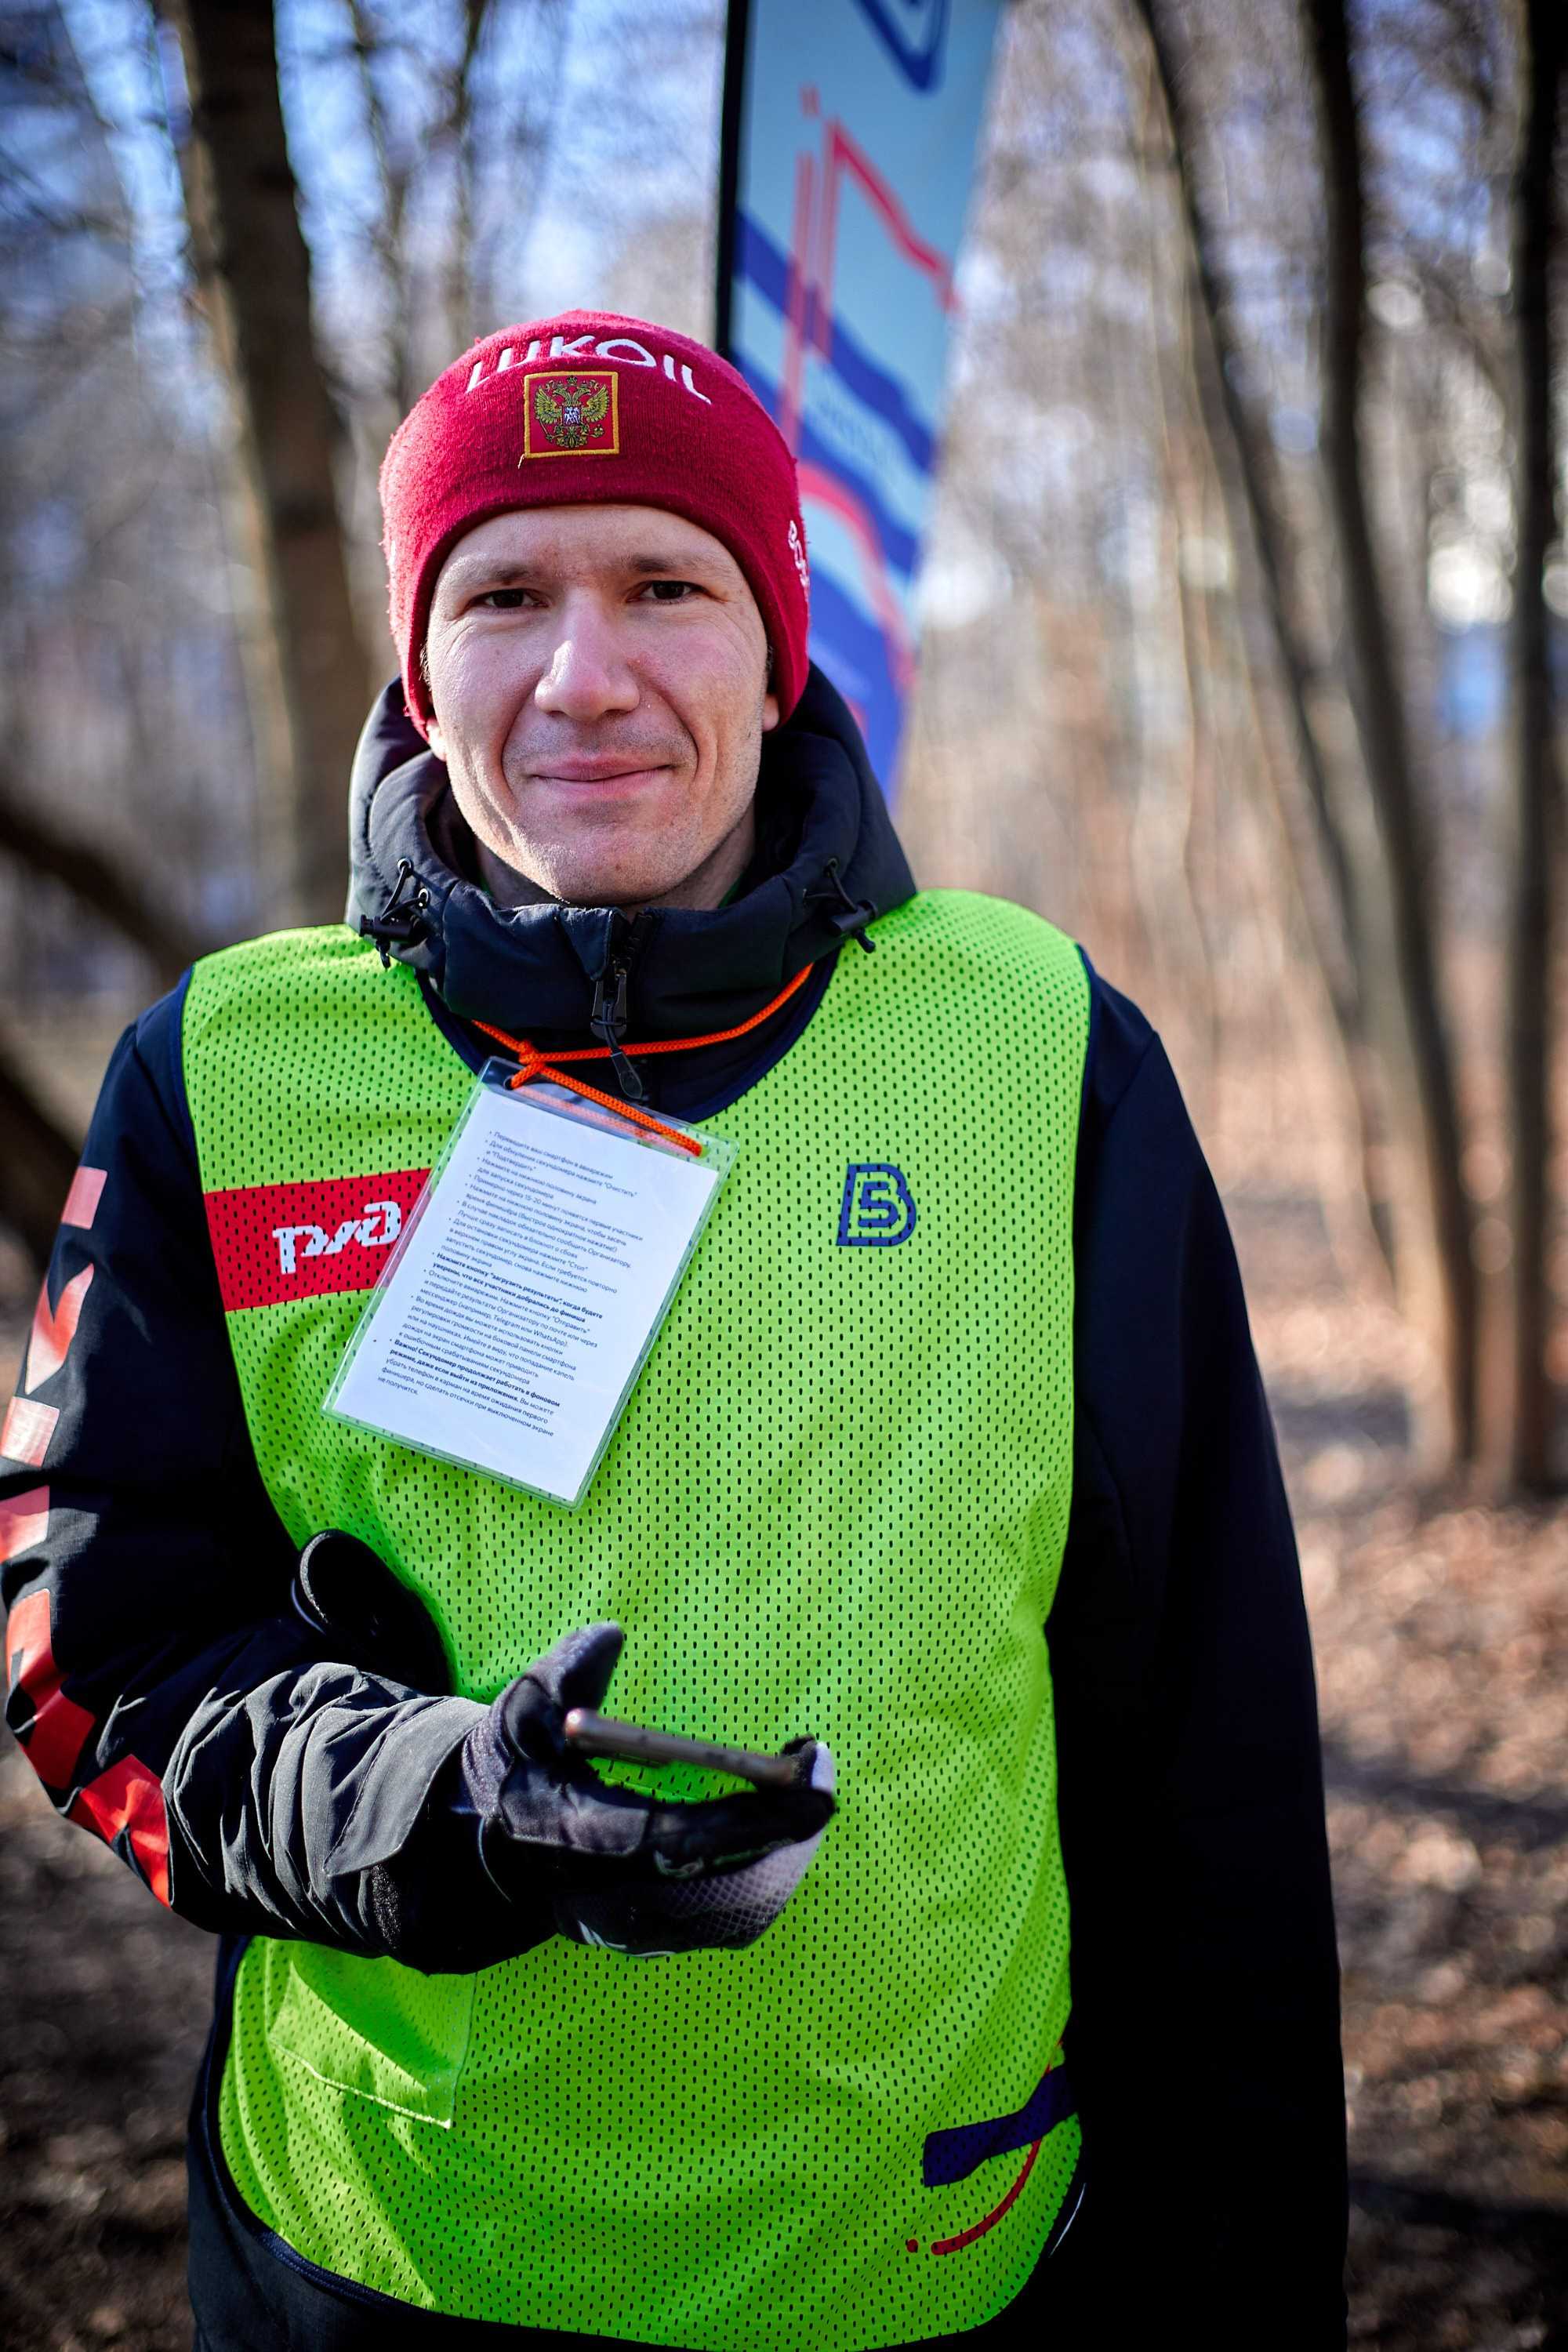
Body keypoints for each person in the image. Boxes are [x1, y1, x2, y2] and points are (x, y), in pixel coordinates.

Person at [0, 311, 1346, 2350]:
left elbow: (1206, 1750)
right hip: (381, 2271)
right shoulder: (224, 1073)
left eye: (665, 586)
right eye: (507, 594)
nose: (585, 674)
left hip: (930, 2270)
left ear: (777, 641)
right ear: (415, 660)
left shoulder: (1041, 1055)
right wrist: (430, 1803)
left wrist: (1244, 2280)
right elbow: (92, 1659)